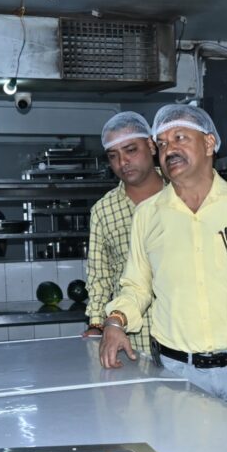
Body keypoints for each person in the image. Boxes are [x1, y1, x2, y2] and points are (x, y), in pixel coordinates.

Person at [99, 105, 227, 402]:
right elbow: (136, 286)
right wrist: (115, 321)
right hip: (177, 374)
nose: (169, 150)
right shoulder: (148, 215)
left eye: (180, 138)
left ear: (209, 143)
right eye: (162, 144)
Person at [82, 112, 164, 352]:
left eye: (130, 150)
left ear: (151, 145)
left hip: (183, 337)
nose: (123, 162)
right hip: (130, 339)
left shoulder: (180, 194)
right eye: (113, 156)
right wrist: (97, 324)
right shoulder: (103, 210)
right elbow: (99, 276)